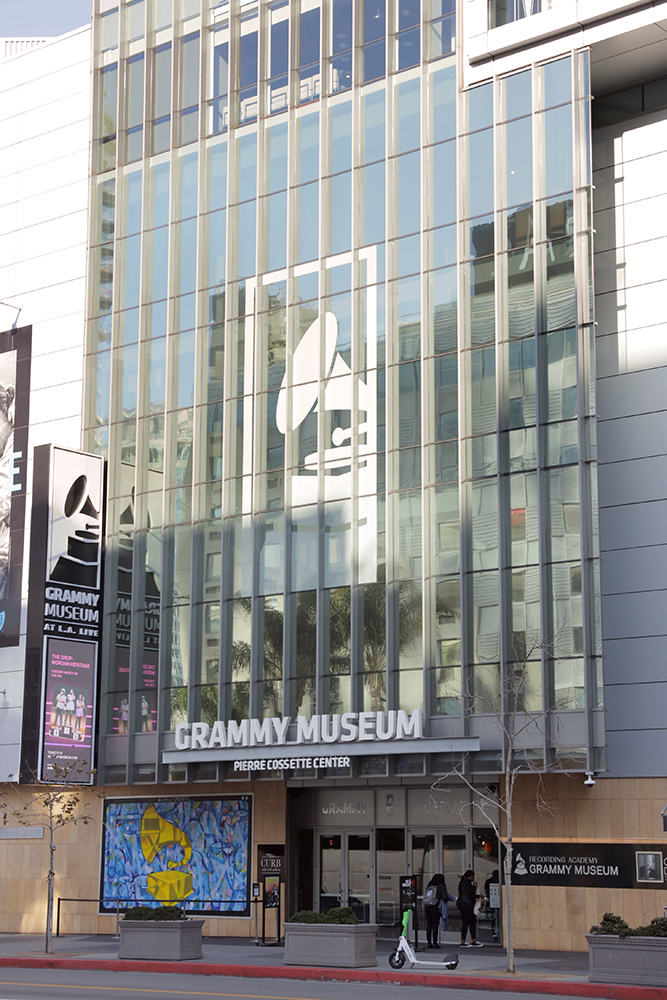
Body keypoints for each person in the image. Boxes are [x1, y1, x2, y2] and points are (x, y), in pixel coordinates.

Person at [423, 873, 453, 949]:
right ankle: (435, 942)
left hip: (427, 907)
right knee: (435, 925)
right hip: (436, 908)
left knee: (429, 925)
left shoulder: (429, 886)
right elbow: (444, 898)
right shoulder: (441, 887)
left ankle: (429, 942)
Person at [457, 869, 483, 947]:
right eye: (472, 876)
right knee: (470, 923)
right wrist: (479, 896)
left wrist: (474, 887)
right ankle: (468, 941)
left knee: (467, 922)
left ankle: (466, 940)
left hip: (463, 904)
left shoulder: (462, 883)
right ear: (470, 876)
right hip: (467, 905)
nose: (473, 878)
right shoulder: (466, 883)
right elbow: (470, 895)